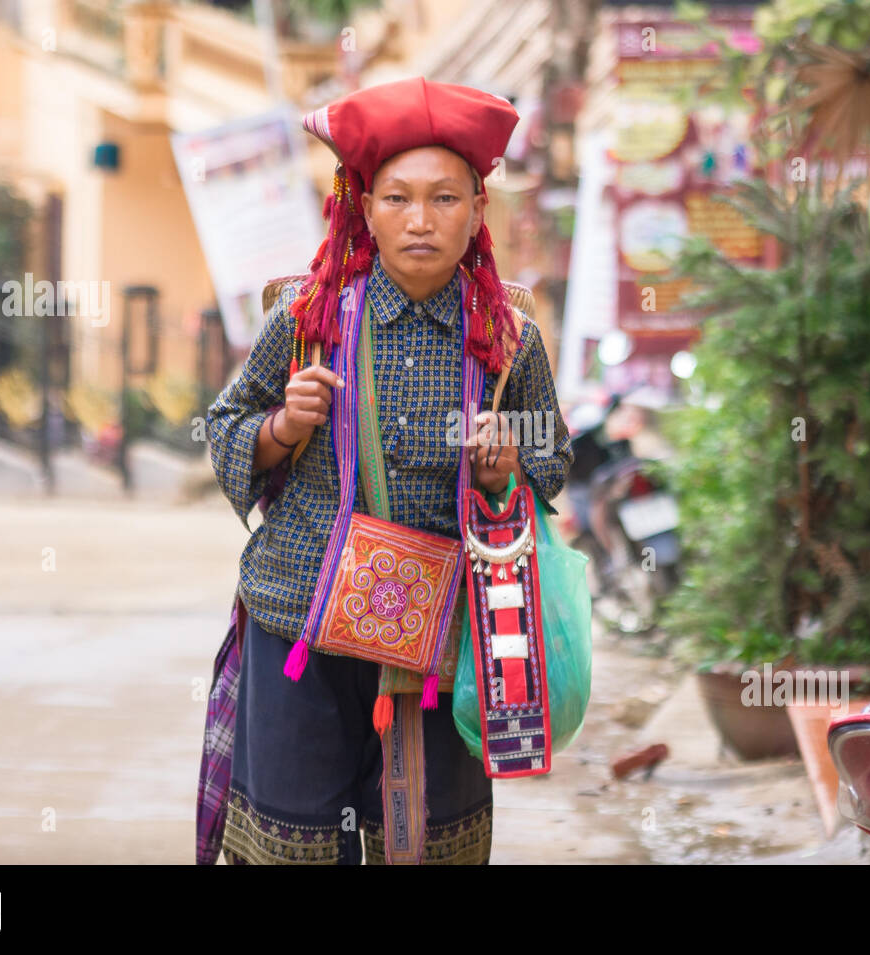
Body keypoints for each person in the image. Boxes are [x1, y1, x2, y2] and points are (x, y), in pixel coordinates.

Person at [204, 77, 573, 864]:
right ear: (364, 207)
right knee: (298, 843)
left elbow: (553, 456)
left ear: (477, 211)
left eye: (444, 199)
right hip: (298, 620)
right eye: (398, 198)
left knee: (428, 844)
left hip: (444, 637)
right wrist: (281, 424)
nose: (420, 220)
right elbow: (226, 427)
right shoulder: (304, 316)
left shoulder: (511, 336)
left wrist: (509, 466)